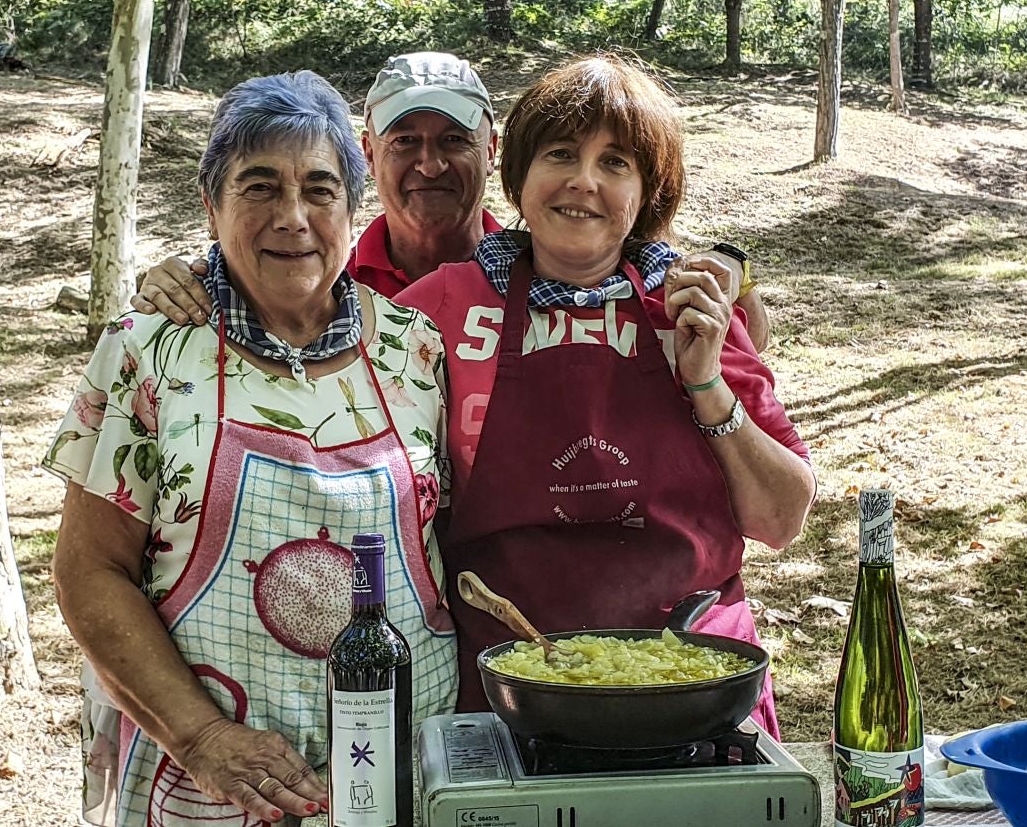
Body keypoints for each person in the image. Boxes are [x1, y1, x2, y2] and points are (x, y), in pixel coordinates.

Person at [46, 71, 456, 827]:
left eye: (319, 189)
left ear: (353, 206)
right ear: (211, 205)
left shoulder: (416, 347)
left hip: (400, 772)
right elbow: (87, 571)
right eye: (259, 187)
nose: (292, 217)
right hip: (208, 784)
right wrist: (204, 736)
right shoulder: (150, 353)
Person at [394, 54, 815, 736]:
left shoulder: (690, 308)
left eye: (616, 162)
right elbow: (305, 352)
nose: (583, 181)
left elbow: (781, 518)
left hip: (692, 687)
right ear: (522, 177)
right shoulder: (437, 311)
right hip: (510, 686)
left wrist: (705, 382)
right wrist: (201, 289)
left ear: (646, 192)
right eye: (561, 153)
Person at [132, 51, 772, 351]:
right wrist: (186, 276)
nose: (430, 163)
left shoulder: (552, 264)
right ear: (368, 151)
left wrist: (735, 277)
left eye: (455, 141)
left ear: (492, 149)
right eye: (406, 139)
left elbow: (710, 316)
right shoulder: (321, 278)